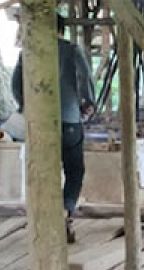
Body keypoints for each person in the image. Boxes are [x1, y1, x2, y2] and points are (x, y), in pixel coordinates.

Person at [11, 14, 95, 243]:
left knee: (44, 172)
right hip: (69, 121)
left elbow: (15, 84)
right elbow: (85, 78)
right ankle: (66, 211)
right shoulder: (71, 50)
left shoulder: (28, 52)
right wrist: (88, 104)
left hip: (39, 122)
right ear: (61, 29)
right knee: (74, 171)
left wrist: (25, 105)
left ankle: (43, 221)